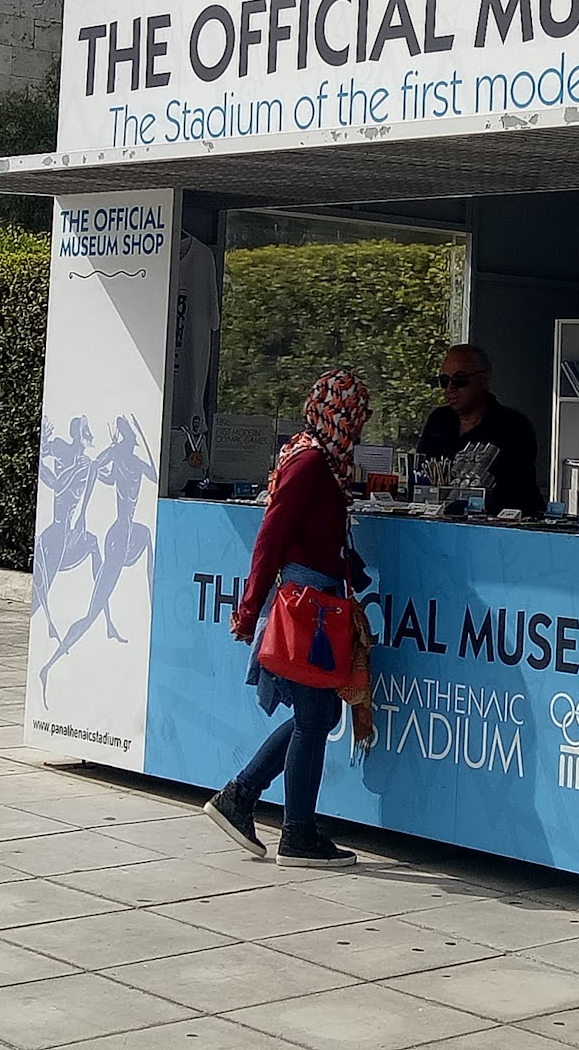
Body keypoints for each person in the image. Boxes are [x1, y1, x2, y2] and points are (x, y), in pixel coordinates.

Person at [204, 368, 371, 867]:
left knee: (316, 715)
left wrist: (351, 570)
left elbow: (311, 535)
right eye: (354, 415)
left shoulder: (321, 463)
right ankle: (294, 830)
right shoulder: (311, 464)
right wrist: (250, 608)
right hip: (306, 609)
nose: (358, 426)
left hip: (316, 599)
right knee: (316, 716)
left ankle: (243, 797)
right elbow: (271, 535)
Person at [416, 343, 544, 515]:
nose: (450, 389)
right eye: (444, 381)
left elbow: (514, 490)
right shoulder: (438, 420)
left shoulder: (513, 426)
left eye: (459, 380)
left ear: (483, 380)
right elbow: (421, 474)